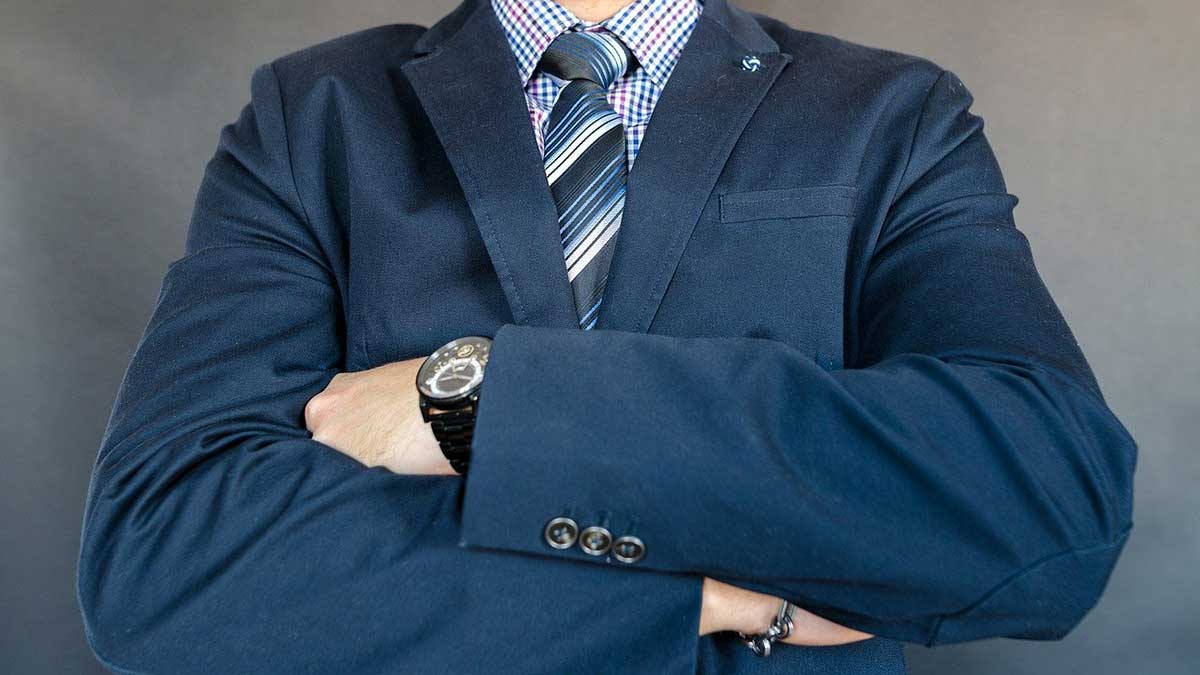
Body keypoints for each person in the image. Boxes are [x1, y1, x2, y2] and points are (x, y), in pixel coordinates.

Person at [76, 0, 1137, 672]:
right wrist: (703, 600)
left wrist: (487, 402)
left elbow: (1044, 502)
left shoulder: (893, 115)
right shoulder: (313, 115)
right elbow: (166, 559)